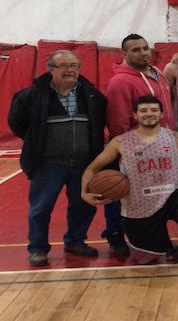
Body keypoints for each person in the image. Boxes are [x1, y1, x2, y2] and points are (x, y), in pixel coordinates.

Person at [81, 96, 178, 269]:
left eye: (153, 110)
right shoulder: (120, 142)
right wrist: (85, 193)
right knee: (145, 258)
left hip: (174, 193)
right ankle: (164, 245)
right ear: (135, 115)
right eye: (143, 111)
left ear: (161, 114)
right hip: (139, 202)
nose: (149, 114)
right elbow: (92, 168)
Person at [8, 50, 106, 266]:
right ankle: (38, 248)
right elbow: (17, 123)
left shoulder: (91, 95)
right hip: (48, 163)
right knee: (40, 208)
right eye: (64, 65)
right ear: (50, 69)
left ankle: (75, 241)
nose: (70, 70)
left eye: (74, 66)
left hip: (83, 163)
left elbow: (99, 124)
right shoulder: (32, 95)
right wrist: (36, 140)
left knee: (83, 205)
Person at [102, 33, 176, 255]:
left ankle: (158, 236)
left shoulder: (157, 73)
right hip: (136, 151)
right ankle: (115, 235)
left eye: (145, 48)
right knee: (120, 190)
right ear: (124, 54)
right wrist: (127, 154)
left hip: (161, 146)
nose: (142, 53)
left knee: (157, 193)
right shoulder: (120, 81)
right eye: (135, 50)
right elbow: (118, 121)